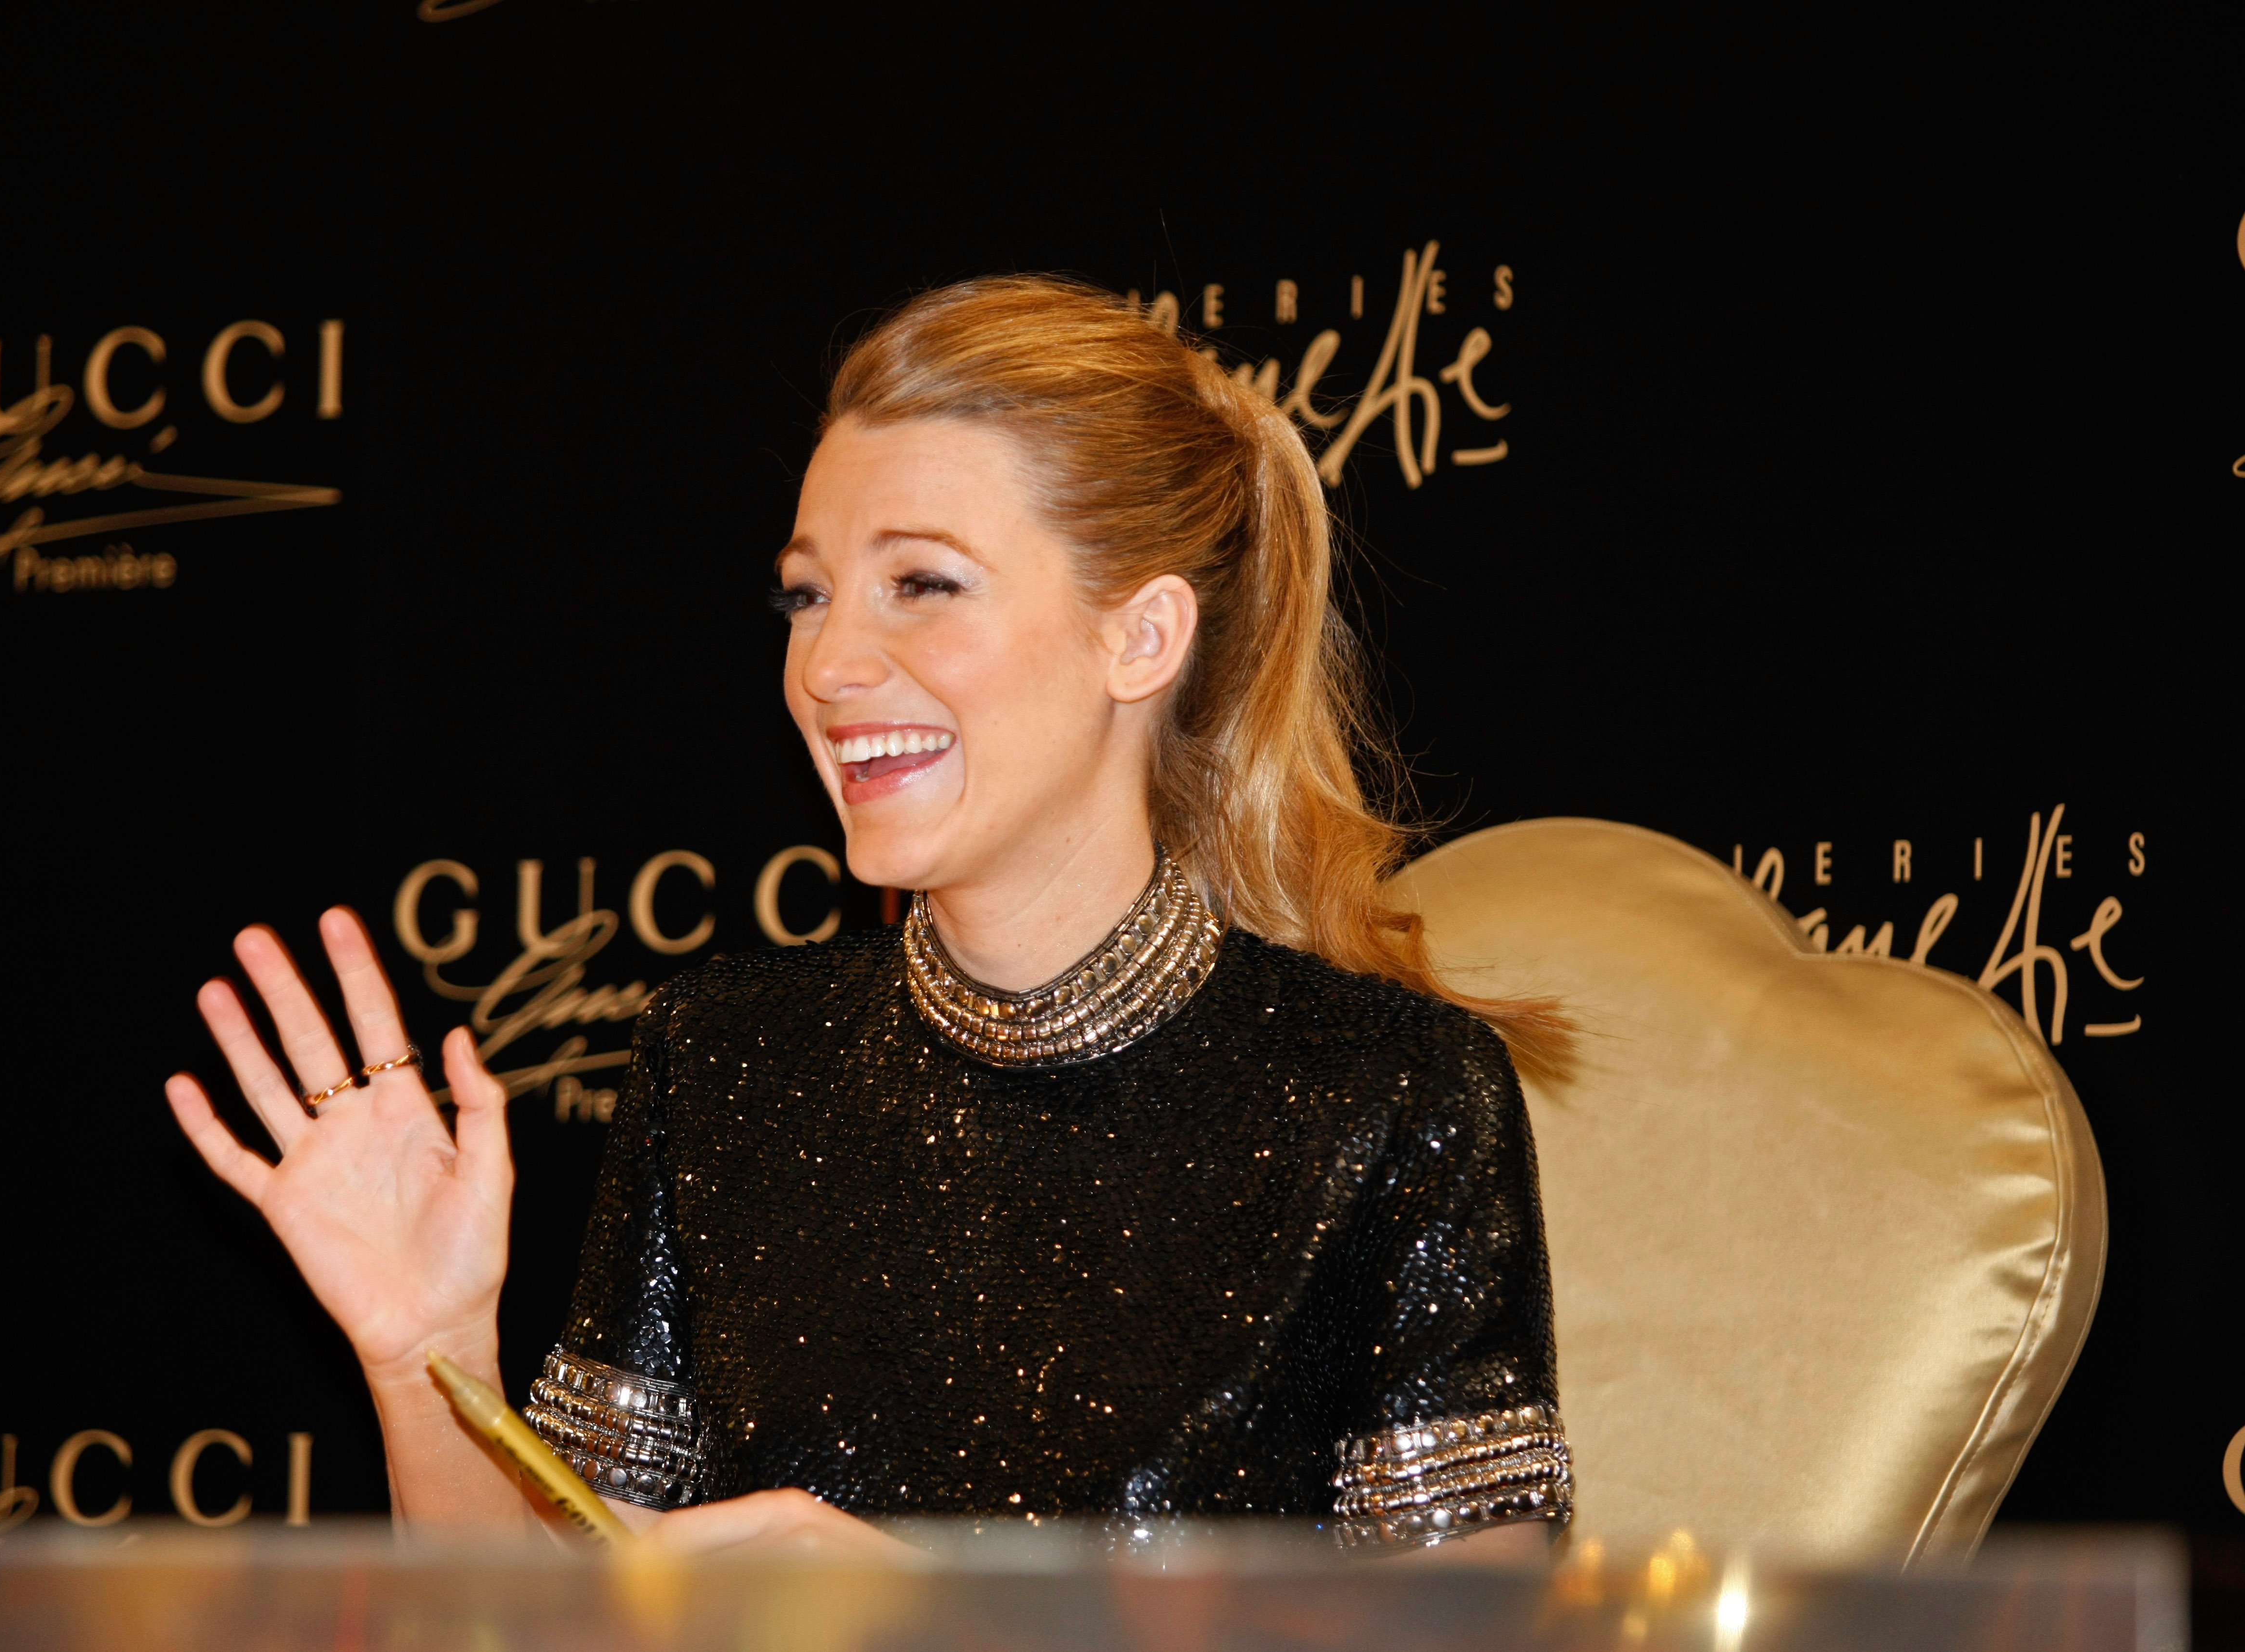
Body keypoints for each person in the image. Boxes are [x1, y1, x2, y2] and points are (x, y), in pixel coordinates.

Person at [166, 276, 1571, 1560]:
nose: (829, 663)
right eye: (808, 595)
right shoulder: (725, 1061)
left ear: (1138, 637)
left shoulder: (1389, 1092)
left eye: (923, 584)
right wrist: (427, 1353)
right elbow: (544, 1622)